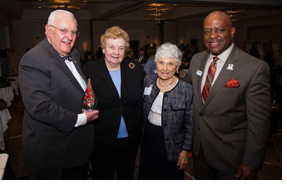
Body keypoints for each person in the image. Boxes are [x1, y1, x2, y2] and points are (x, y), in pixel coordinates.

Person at [183, 11, 271, 180]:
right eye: (207, 31)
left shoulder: (254, 68)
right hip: (200, 152)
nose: (212, 36)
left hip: (232, 158)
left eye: (219, 29)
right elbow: (184, 86)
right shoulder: (197, 59)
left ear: (231, 32)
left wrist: (251, 162)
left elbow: (259, 122)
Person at [18, 10, 99, 180]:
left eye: (73, 32)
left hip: (77, 151)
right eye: (63, 30)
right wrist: (81, 119)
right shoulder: (33, 59)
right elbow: (39, 107)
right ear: (48, 30)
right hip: (54, 155)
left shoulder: (74, 54)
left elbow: (75, 89)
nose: (69, 36)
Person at [83, 26, 146, 179]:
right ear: (103, 48)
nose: (116, 52)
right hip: (101, 139)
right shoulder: (89, 71)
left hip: (129, 139)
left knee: (127, 175)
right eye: (111, 47)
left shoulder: (135, 69)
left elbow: (144, 98)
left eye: (121, 48)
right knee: (103, 177)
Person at [139, 43, 193, 180]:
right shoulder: (148, 80)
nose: (164, 68)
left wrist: (185, 151)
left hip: (172, 145)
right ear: (156, 63)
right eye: (161, 62)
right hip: (149, 139)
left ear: (178, 66)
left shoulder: (186, 89)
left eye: (170, 64)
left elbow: (190, 124)